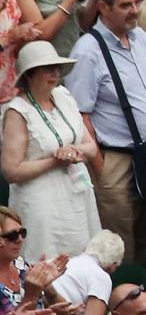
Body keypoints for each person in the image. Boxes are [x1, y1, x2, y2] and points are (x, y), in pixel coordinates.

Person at [69, 0, 146, 261]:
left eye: (136, 2)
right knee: (119, 243)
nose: (135, 10)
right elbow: (80, 113)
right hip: (115, 159)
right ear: (103, 7)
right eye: (126, 5)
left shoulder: (140, 37)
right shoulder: (87, 52)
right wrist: (100, 164)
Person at [2, 49, 102, 260]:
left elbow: (91, 147)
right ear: (29, 75)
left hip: (77, 192)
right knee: (45, 259)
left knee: (83, 257)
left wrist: (72, 152)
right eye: (47, 69)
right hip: (42, 201)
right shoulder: (17, 111)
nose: (55, 73)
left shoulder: (63, 96)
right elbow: (12, 171)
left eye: (57, 68)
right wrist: (54, 161)